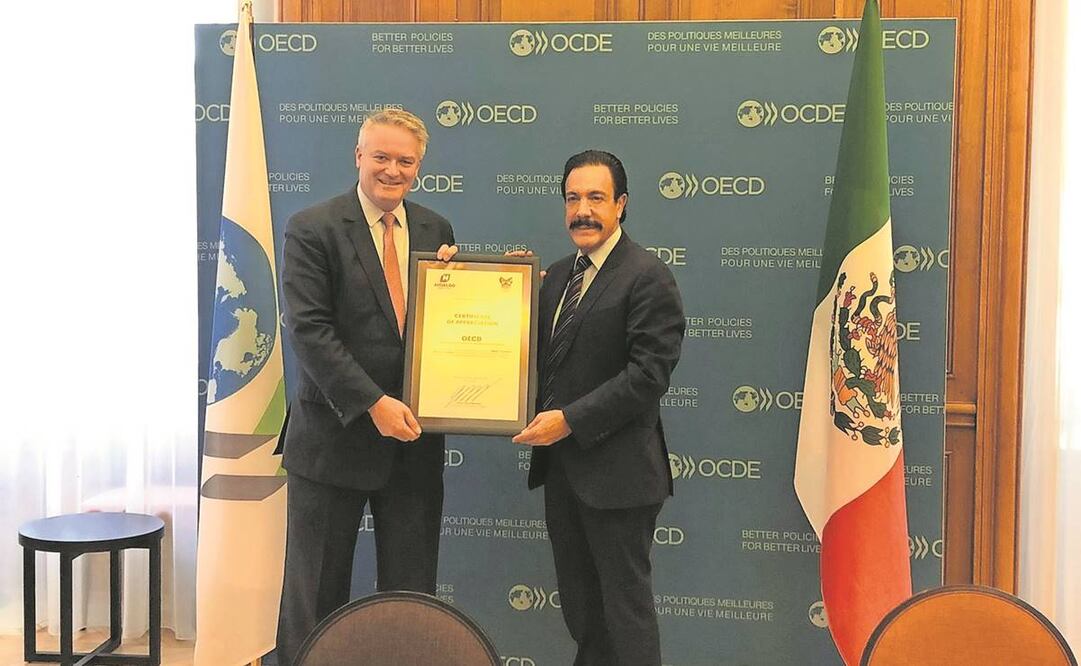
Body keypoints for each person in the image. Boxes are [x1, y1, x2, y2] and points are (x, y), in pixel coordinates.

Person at [275, 109, 457, 665]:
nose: (392, 170)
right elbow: (310, 331)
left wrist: (486, 289)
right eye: (381, 156)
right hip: (333, 439)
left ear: (419, 168)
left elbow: (447, 328)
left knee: (410, 596)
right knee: (316, 596)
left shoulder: (435, 230)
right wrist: (372, 402)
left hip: (412, 445)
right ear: (358, 156)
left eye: (405, 161)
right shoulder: (313, 228)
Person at [512, 150, 685, 666]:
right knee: (583, 614)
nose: (582, 210)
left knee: (624, 615)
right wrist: (479, 283)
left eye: (595, 197)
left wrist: (569, 421)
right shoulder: (559, 275)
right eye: (572, 198)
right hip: (564, 474)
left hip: (620, 477)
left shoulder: (647, 275)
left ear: (621, 204)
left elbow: (648, 375)